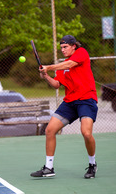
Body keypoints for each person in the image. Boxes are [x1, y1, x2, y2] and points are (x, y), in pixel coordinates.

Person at [30, 35, 98, 179]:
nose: (63, 50)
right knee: (49, 130)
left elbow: (70, 64)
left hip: (86, 99)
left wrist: (49, 67)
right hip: (70, 102)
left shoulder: (81, 53)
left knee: (86, 133)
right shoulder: (61, 67)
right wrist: (46, 76)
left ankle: (92, 164)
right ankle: (48, 168)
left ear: (74, 46)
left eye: (65, 47)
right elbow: (56, 84)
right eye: (61, 47)